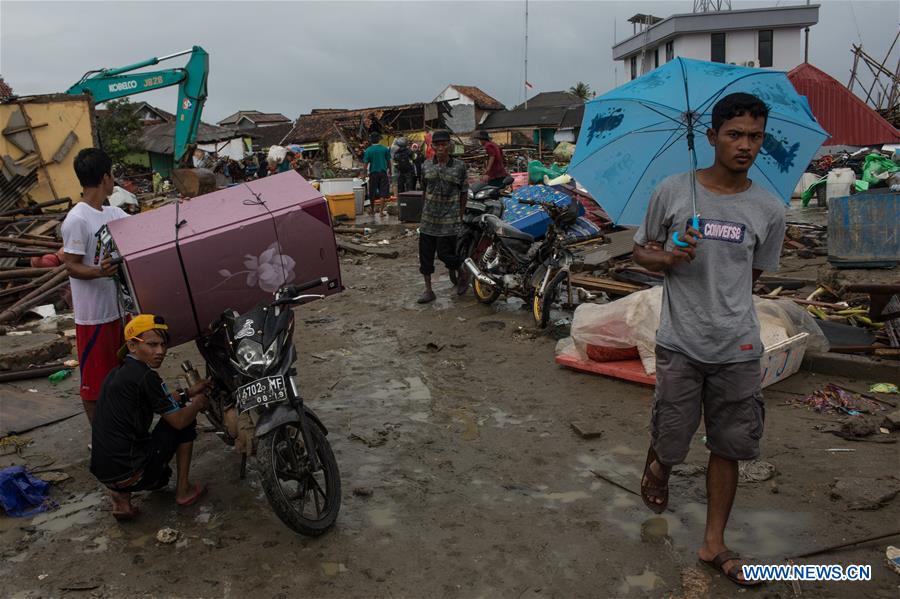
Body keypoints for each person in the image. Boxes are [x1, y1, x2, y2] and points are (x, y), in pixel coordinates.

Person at [632, 93, 785, 587]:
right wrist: (669, 256)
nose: (745, 146)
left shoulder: (769, 209)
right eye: (735, 134)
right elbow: (639, 254)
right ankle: (660, 464)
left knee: (730, 445)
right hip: (681, 342)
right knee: (673, 439)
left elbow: (752, 275)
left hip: (738, 347)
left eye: (755, 136)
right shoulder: (673, 191)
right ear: (712, 136)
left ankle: (713, 543)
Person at [90, 315, 210, 520]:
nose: (160, 351)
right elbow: (179, 421)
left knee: (135, 451)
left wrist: (189, 392)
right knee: (184, 421)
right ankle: (184, 491)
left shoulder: (117, 374)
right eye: (152, 345)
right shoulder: (146, 376)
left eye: (163, 344)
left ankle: (121, 500)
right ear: (132, 346)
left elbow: (159, 400)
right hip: (133, 474)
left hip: (104, 473)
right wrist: (198, 403)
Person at [62, 148, 129, 425]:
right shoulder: (77, 219)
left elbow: (147, 228)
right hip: (93, 318)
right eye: (112, 175)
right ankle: (101, 440)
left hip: (119, 312)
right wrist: (99, 271)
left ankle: (123, 432)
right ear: (105, 178)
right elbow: (71, 266)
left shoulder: (114, 213)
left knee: (122, 377)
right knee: (94, 386)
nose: (113, 180)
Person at [418, 130, 469, 303]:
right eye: (437, 145)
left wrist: (460, 214)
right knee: (425, 257)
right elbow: (424, 189)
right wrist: (423, 211)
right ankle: (428, 290)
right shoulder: (426, 165)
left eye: (444, 144)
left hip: (449, 220)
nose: (440, 148)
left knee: (445, 254)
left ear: (450, 146)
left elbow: (464, 192)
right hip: (428, 220)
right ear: (432, 147)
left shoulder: (459, 166)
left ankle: (462, 273)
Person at [362, 132, 392, 217]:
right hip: (383, 173)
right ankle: (381, 212)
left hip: (373, 173)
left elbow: (365, 163)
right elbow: (388, 161)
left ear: (371, 140)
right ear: (379, 139)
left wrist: (364, 174)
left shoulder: (368, 150)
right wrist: (390, 170)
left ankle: (372, 210)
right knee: (383, 192)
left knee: (372, 192)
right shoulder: (384, 149)